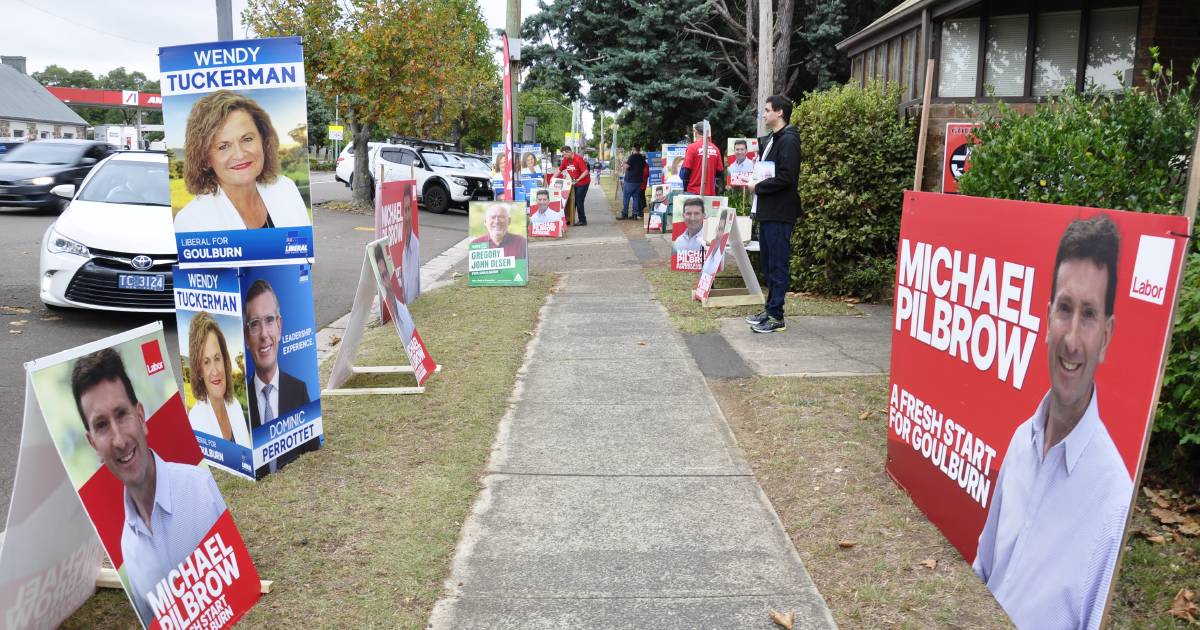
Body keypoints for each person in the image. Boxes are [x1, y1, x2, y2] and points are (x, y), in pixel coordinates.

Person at [973, 215, 1130, 630]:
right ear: (1047, 319)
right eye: (1065, 309)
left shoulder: (1115, 501)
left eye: (1089, 314)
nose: (1072, 339)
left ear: (1107, 338)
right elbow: (982, 571)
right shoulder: (1020, 440)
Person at [71, 348, 226, 626]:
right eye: (102, 425)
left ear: (141, 416)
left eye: (121, 414)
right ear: (92, 443)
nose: (119, 440)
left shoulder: (200, 488)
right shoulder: (126, 547)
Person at [174, 90, 310, 231]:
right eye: (223, 146)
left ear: (263, 140)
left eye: (247, 139)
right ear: (206, 158)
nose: (239, 155)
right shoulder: (191, 222)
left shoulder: (286, 188)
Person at [244, 279, 318, 475]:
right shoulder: (240, 406)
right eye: (254, 324)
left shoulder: (299, 391)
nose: (263, 335)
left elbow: (313, 454)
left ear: (279, 326)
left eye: (269, 321)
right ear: (246, 337)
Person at [746, 95, 801, 334]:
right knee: (768, 264)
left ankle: (777, 316)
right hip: (767, 211)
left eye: (767, 110)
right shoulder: (772, 139)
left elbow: (787, 178)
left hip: (780, 212)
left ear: (780, 113)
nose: (764, 114)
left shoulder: (788, 140)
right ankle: (770, 309)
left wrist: (758, 187)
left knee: (778, 265)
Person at [186, 312, 251, 448]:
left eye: (217, 358)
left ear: (225, 360)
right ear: (199, 371)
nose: (215, 371)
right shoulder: (195, 419)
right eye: (206, 362)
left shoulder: (236, 406)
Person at [373, 243, 415, 341]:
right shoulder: (388, 303)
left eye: (386, 274)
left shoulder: (401, 304)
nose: (386, 279)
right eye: (382, 276)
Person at [679, 121, 724, 196]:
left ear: (695, 132)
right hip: (710, 194)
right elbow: (719, 173)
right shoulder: (716, 149)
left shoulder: (692, 147)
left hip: (693, 192)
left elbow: (685, 173)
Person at [556, 146, 591, 226]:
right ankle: (569, 219)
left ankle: (582, 220)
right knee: (571, 201)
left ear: (569, 152)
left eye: (564, 154)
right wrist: (553, 178)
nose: (563, 156)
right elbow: (559, 170)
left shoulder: (578, 159)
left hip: (583, 182)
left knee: (579, 200)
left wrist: (578, 179)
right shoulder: (565, 160)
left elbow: (586, 172)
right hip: (573, 182)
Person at [399, 184, 420, 304]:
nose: (406, 216)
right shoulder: (398, 247)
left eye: (408, 210)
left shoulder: (415, 245)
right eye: (404, 210)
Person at [620, 145, 648, 220]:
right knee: (636, 197)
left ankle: (624, 213)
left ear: (633, 149)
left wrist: (624, 163)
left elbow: (627, 166)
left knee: (626, 197)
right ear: (639, 149)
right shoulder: (642, 158)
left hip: (630, 180)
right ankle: (635, 214)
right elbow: (644, 166)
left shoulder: (632, 157)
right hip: (639, 181)